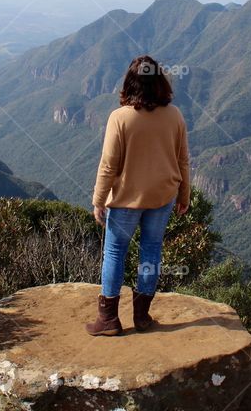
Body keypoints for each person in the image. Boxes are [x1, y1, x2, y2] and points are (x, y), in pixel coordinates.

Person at [85, 55, 190, 336]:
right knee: (151, 250)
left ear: (130, 83)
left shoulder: (120, 118)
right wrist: (184, 194)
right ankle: (142, 317)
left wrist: (98, 200)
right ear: (159, 82)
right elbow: (183, 160)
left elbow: (108, 165)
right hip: (162, 196)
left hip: (127, 200)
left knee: (115, 252)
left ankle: (108, 320)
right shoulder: (175, 115)